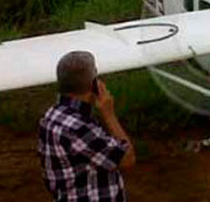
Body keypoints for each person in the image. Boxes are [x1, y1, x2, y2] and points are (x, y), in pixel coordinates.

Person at [38, 51, 136, 201]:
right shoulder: (79, 128)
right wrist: (109, 114)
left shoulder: (52, 116)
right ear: (94, 83)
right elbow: (127, 158)